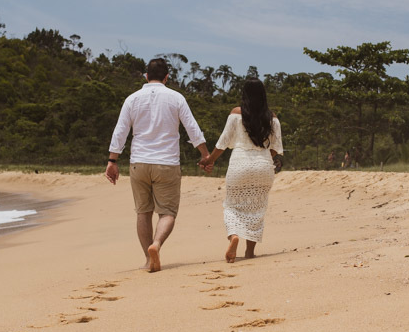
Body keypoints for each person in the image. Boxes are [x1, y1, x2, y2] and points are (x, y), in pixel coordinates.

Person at [106, 57, 211, 272]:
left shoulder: (132, 99)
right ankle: (157, 244)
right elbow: (193, 128)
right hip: (167, 163)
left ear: (146, 76)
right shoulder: (176, 98)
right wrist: (205, 155)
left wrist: (112, 161)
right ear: (166, 77)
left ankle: (147, 258)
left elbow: (120, 132)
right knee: (168, 212)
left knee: (143, 212)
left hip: (139, 163)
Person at [201, 77, 284, 263]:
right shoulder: (273, 118)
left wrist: (209, 160)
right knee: (257, 208)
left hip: (239, 164)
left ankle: (234, 236)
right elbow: (275, 148)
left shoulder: (236, 114)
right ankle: (249, 252)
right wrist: (263, 160)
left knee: (231, 206)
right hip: (263, 165)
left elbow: (223, 142)